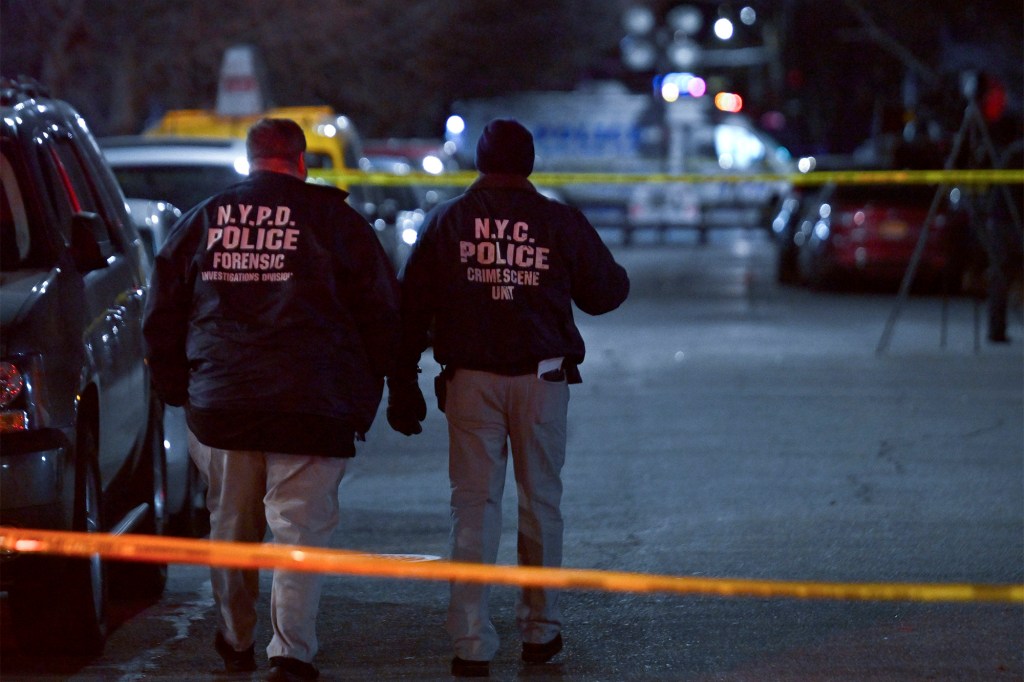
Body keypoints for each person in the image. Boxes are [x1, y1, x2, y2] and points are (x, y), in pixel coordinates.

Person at [143, 118, 400, 682]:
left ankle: (235, 640)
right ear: (301, 161)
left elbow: (162, 310)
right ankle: (290, 652)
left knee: (230, 529)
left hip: (223, 402)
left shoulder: (204, 220)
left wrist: (175, 386)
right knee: (299, 532)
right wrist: (393, 386)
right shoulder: (336, 221)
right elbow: (382, 313)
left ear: (250, 160)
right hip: (312, 401)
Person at [386, 118, 630, 678]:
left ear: (480, 161)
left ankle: (470, 641)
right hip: (542, 382)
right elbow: (607, 292)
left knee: (473, 508)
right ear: (529, 163)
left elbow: (410, 307)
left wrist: (401, 383)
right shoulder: (556, 219)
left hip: (469, 380)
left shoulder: (446, 221)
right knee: (541, 503)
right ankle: (540, 632)